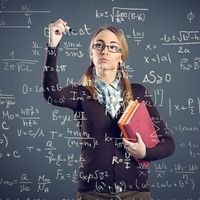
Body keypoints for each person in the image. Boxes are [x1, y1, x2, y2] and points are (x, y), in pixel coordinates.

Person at [42, 18, 175, 200]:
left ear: (121, 57)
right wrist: (53, 45)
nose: (105, 50)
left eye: (113, 47)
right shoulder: (80, 93)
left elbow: (168, 143)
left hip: (136, 192)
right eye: (99, 45)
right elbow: (52, 94)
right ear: (91, 54)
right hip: (92, 192)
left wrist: (145, 153)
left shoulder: (138, 92)